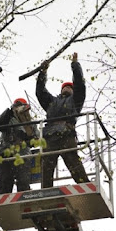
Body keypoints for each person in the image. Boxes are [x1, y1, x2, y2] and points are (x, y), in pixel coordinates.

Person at [36, 52, 90, 188]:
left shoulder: (76, 100)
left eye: (70, 86)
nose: (67, 87)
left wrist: (75, 65)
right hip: (49, 136)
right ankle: (46, 191)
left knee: (74, 163)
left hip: (67, 134)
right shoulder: (51, 102)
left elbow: (79, 83)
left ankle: (85, 186)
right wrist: (43, 73)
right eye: (65, 86)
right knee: (46, 166)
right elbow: (40, 92)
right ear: (61, 90)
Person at [0, 98, 39, 194]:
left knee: (23, 182)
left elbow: (36, 140)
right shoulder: (8, 119)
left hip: (23, 155)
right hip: (7, 153)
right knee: (5, 182)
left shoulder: (30, 123)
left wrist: (27, 138)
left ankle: (24, 199)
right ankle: (4, 203)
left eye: (21, 106)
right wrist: (9, 112)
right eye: (16, 105)